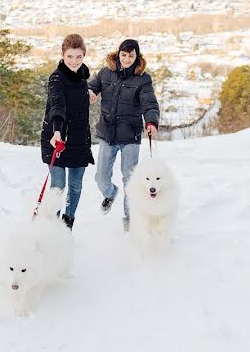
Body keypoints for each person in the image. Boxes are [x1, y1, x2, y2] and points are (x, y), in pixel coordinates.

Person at [87, 38, 160, 231]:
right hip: (107, 134)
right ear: (118, 54)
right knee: (101, 178)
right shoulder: (105, 72)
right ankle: (110, 194)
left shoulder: (143, 78)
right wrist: (90, 93)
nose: (127, 59)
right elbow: (92, 87)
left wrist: (151, 121)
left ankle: (130, 218)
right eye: (124, 54)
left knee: (131, 180)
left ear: (137, 57)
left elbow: (149, 102)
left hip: (130, 137)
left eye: (131, 55)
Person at [40, 34, 94, 229]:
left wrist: (87, 92)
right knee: (58, 186)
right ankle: (52, 227)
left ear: (84, 56)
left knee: (76, 186)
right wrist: (56, 131)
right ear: (63, 55)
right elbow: (57, 105)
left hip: (79, 139)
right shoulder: (56, 78)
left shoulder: (82, 78)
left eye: (79, 57)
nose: (74, 61)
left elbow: (76, 95)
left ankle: (67, 223)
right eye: (70, 56)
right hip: (57, 138)